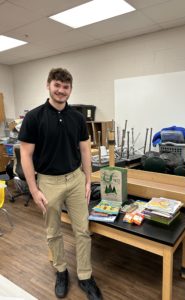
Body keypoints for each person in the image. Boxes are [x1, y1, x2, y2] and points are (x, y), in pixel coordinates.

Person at [18, 68, 102, 300]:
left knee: (83, 231)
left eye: (66, 87)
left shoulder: (77, 117)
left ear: (70, 90)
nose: (61, 91)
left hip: (75, 179)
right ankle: (61, 272)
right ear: (48, 85)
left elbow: (85, 149)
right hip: (48, 182)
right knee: (53, 232)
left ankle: (85, 276)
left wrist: (88, 180)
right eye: (57, 85)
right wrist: (34, 190)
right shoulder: (34, 118)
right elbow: (25, 156)